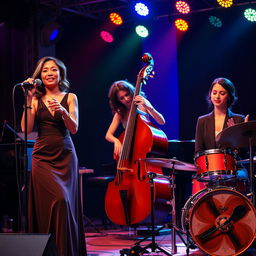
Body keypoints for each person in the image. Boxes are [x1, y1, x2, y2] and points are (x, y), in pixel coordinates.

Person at [21, 56, 86, 256]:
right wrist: (29, 99)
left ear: (60, 74)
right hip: (42, 157)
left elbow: (74, 128)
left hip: (65, 155)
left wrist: (64, 112)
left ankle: (65, 251)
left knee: (63, 202)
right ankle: (47, 251)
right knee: (51, 202)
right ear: (39, 75)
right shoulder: (36, 99)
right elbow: (26, 129)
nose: (49, 73)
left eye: (53, 70)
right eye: (45, 70)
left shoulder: (70, 97)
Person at [193, 77, 248, 194]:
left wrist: (235, 135)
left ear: (229, 96)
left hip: (234, 169)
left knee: (242, 175)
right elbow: (198, 151)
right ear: (210, 94)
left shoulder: (239, 119)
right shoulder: (202, 121)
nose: (217, 97)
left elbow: (243, 154)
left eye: (222, 93)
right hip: (210, 170)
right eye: (214, 93)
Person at [105, 80, 165, 157]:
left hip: (145, 147)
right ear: (118, 101)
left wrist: (149, 107)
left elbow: (162, 122)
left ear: (131, 91)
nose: (126, 99)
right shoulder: (120, 113)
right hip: (131, 151)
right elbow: (108, 135)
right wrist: (116, 140)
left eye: (127, 95)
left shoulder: (143, 105)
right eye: (122, 98)